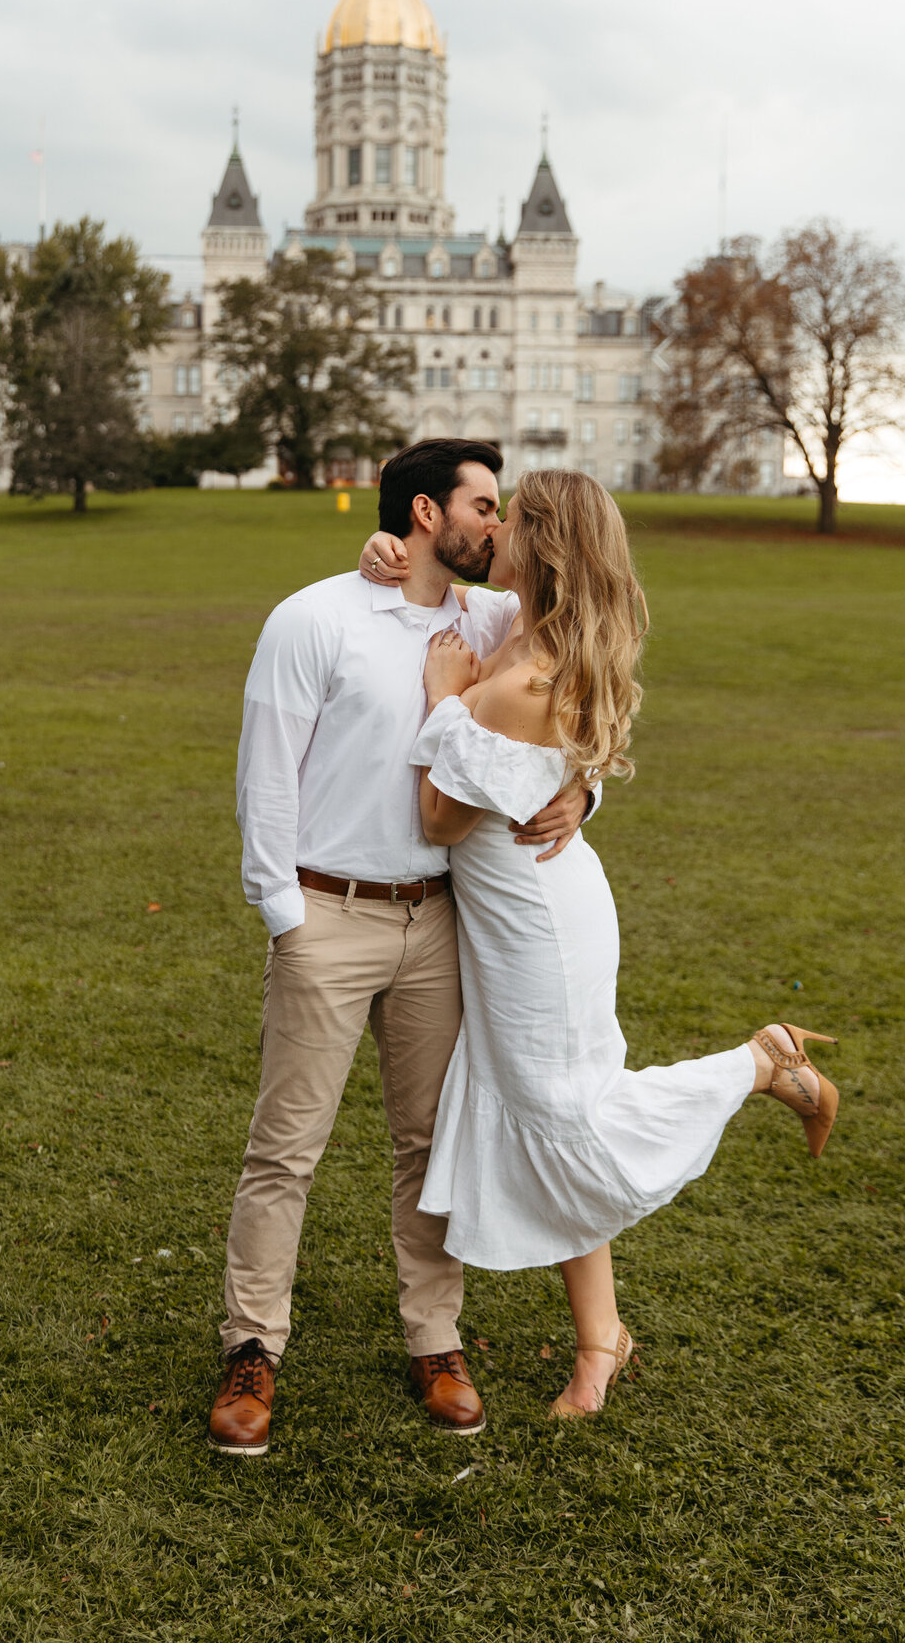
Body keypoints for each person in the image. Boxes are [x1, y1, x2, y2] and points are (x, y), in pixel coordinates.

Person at [361, 469, 839, 1419]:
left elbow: (440, 817)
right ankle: (600, 1344)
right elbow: (454, 592)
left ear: (538, 544)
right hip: (523, 914)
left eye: (505, 517)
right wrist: (385, 553)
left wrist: (442, 698)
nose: (487, 527)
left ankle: (760, 1063)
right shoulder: (526, 630)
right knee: (547, 1119)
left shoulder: (522, 678)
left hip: (539, 926)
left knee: (569, 1119)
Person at [209, 440, 594, 1456]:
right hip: (327, 915)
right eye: (481, 504)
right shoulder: (315, 618)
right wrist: (286, 916)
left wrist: (585, 790)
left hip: (443, 921)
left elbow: (587, 683)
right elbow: (267, 778)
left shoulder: (496, 618)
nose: (497, 524)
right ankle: (253, 1347)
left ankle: (435, 1339)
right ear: (426, 513)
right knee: (285, 1149)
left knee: (430, 1148)